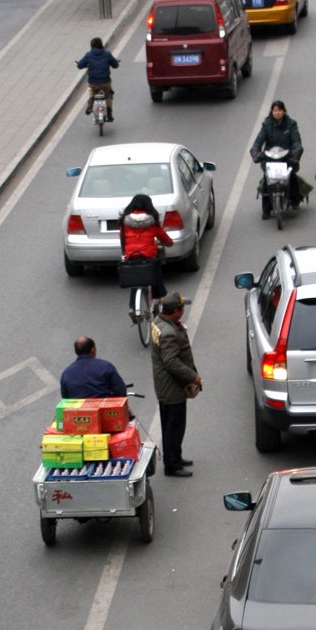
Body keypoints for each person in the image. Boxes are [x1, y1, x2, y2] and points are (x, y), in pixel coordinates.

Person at [150, 294, 202, 478]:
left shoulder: (158, 322)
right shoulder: (169, 333)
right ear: (175, 311)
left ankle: (175, 458)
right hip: (172, 388)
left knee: (170, 426)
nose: (184, 310)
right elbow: (171, 362)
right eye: (182, 307)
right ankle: (172, 465)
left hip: (164, 385)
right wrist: (193, 377)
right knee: (174, 428)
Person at [250, 101, 304, 219]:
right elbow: (258, 143)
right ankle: (266, 210)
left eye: (279, 110)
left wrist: (295, 154)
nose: (277, 112)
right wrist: (256, 154)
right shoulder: (267, 125)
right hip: (270, 159)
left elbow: (297, 142)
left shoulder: (291, 124)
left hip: (287, 159)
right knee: (266, 183)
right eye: (275, 110)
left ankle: (295, 201)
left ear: (283, 111)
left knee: (292, 178)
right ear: (272, 112)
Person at [120, 194, 173, 301]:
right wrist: (169, 243)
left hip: (131, 256)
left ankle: (132, 306)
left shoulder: (124, 223)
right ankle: (162, 297)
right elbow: (165, 238)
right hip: (148, 257)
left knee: (135, 281)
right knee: (156, 271)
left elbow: (122, 240)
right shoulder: (152, 222)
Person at [60, 337, 129, 399]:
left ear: (76, 352)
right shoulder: (105, 366)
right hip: (105, 408)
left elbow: (66, 399)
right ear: (93, 350)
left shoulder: (66, 373)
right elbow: (120, 391)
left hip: (79, 409)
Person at [75, 37, 119, 122]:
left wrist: (85, 64)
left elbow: (79, 65)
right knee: (109, 94)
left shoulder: (88, 55)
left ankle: (90, 103)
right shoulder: (107, 54)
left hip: (93, 82)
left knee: (92, 90)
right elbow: (115, 65)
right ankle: (109, 112)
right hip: (105, 82)